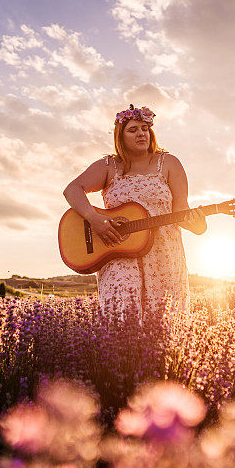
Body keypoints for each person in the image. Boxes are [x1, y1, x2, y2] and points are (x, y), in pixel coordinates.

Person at [63, 104, 206, 322]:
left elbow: (181, 210)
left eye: (144, 128)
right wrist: (95, 219)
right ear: (121, 136)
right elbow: (72, 189)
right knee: (122, 323)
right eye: (133, 129)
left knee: (165, 324)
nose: (141, 133)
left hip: (164, 254)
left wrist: (198, 225)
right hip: (118, 252)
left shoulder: (169, 163)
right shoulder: (108, 166)